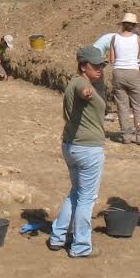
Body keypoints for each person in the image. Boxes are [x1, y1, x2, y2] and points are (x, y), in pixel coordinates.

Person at [47, 46, 108, 258]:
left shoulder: (77, 81)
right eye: (95, 65)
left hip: (71, 146)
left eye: (102, 65)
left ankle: (57, 236)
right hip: (87, 149)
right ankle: (81, 246)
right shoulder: (82, 83)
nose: (100, 68)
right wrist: (88, 92)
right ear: (83, 66)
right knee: (86, 198)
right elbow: (84, 90)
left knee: (76, 193)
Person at [106, 13, 140, 144]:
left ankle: (126, 137)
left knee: (122, 106)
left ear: (122, 24)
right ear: (134, 26)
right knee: (138, 106)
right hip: (133, 73)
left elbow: (112, 60)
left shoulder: (114, 38)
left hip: (118, 73)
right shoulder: (137, 39)